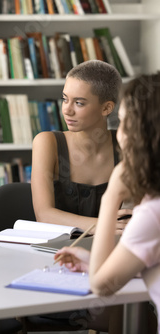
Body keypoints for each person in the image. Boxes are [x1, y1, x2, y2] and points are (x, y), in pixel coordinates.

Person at [55, 72, 160, 333]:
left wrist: (112, 194)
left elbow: (101, 286)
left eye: (124, 123)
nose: (119, 133)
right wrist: (95, 262)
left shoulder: (152, 213)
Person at [31, 60, 132, 232]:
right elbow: (44, 215)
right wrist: (103, 225)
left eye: (79, 103)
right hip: (56, 252)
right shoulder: (47, 142)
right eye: (65, 99)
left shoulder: (126, 145)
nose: (66, 110)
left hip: (112, 248)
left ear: (107, 108)